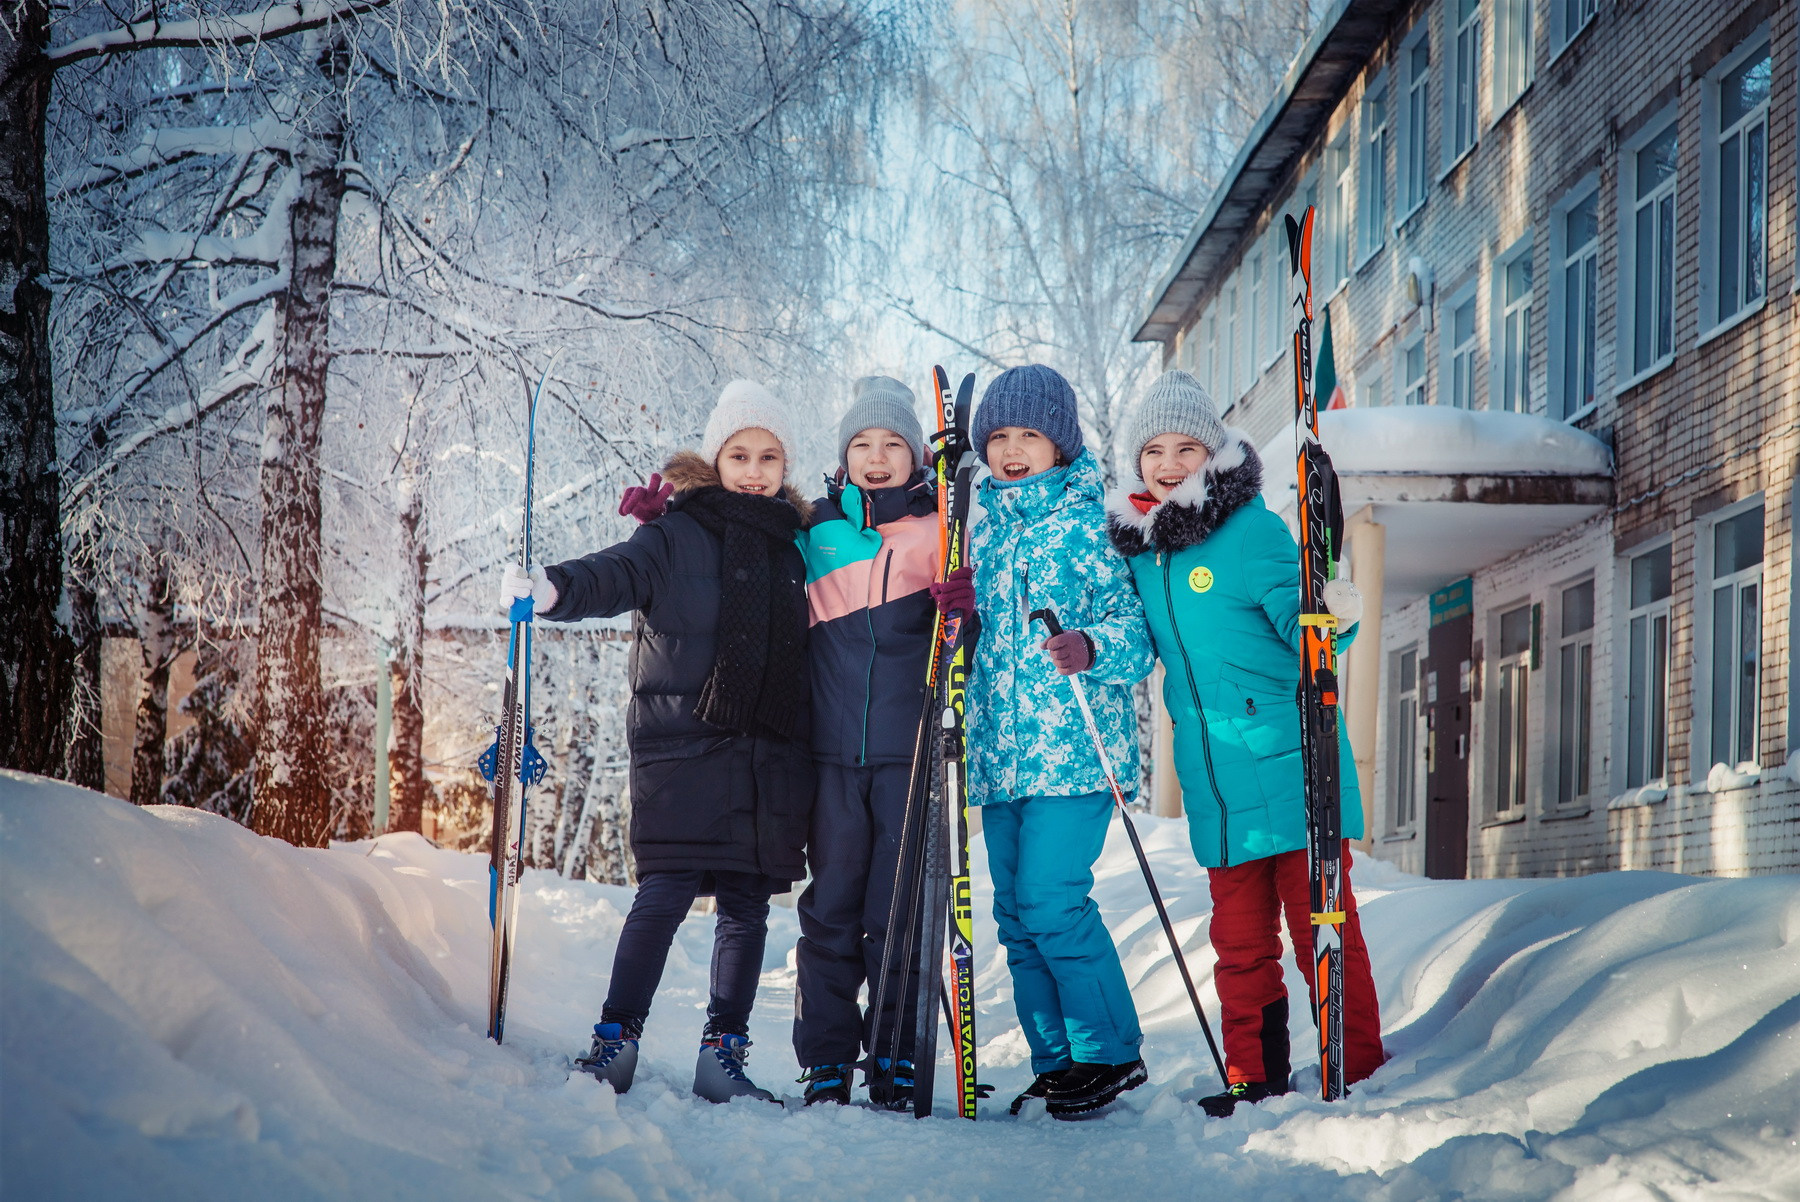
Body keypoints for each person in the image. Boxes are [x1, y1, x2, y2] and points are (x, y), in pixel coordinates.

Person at [500, 379, 814, 1104]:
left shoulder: (792, 546)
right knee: (664, 892)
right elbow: (617, 574)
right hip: (682, 749)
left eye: (770, 456)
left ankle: (723, 1053)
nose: (755, 469)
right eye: (740, 453)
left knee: (745, 904)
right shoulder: (672, 534)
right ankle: (617, 1038)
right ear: (715, 458)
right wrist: (551, 588)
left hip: (766, 754)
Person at [1104, 369, 1384, 1117]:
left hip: (1294, 774)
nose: (1169, 464)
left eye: (1186, 448)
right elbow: (1127, 639)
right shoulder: (1141, 553)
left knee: (1321, 928)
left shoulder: (1250, 529)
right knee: (1239, 946)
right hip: (1216, 786)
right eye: (1154, 450)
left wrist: (1334, 613)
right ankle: (1251, 1075)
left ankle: (1355, 1065)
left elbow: (1310, 628)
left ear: (1214, 453)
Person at [930, 363, 1156, 1119]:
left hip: (1074, 750)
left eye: (1029, 433)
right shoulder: (976, 525)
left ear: (1060, 442)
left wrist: (1091, 646)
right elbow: (971, 645)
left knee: (1051, 900)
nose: (1013, 448)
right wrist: (957, 619)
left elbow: (1136, 636)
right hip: (1000, 757)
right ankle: (1057, 1061)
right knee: (1015, 918)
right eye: (998, 435)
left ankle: (1109, 1053)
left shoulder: (1097, 520)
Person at [790, 376, 941, 1108]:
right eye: (862, 444)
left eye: (892, 445)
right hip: (828, 756)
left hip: (909, 758)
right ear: (843, 456)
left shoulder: (944, 528)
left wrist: (965, 607)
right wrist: (677, 520)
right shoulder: (812, 528)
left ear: (916, 457)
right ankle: (825, 1056)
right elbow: (738, 561)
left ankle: (896, 1053)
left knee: (898, 912)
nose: (877, 457)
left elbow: (974, 637)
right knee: (831, 910)